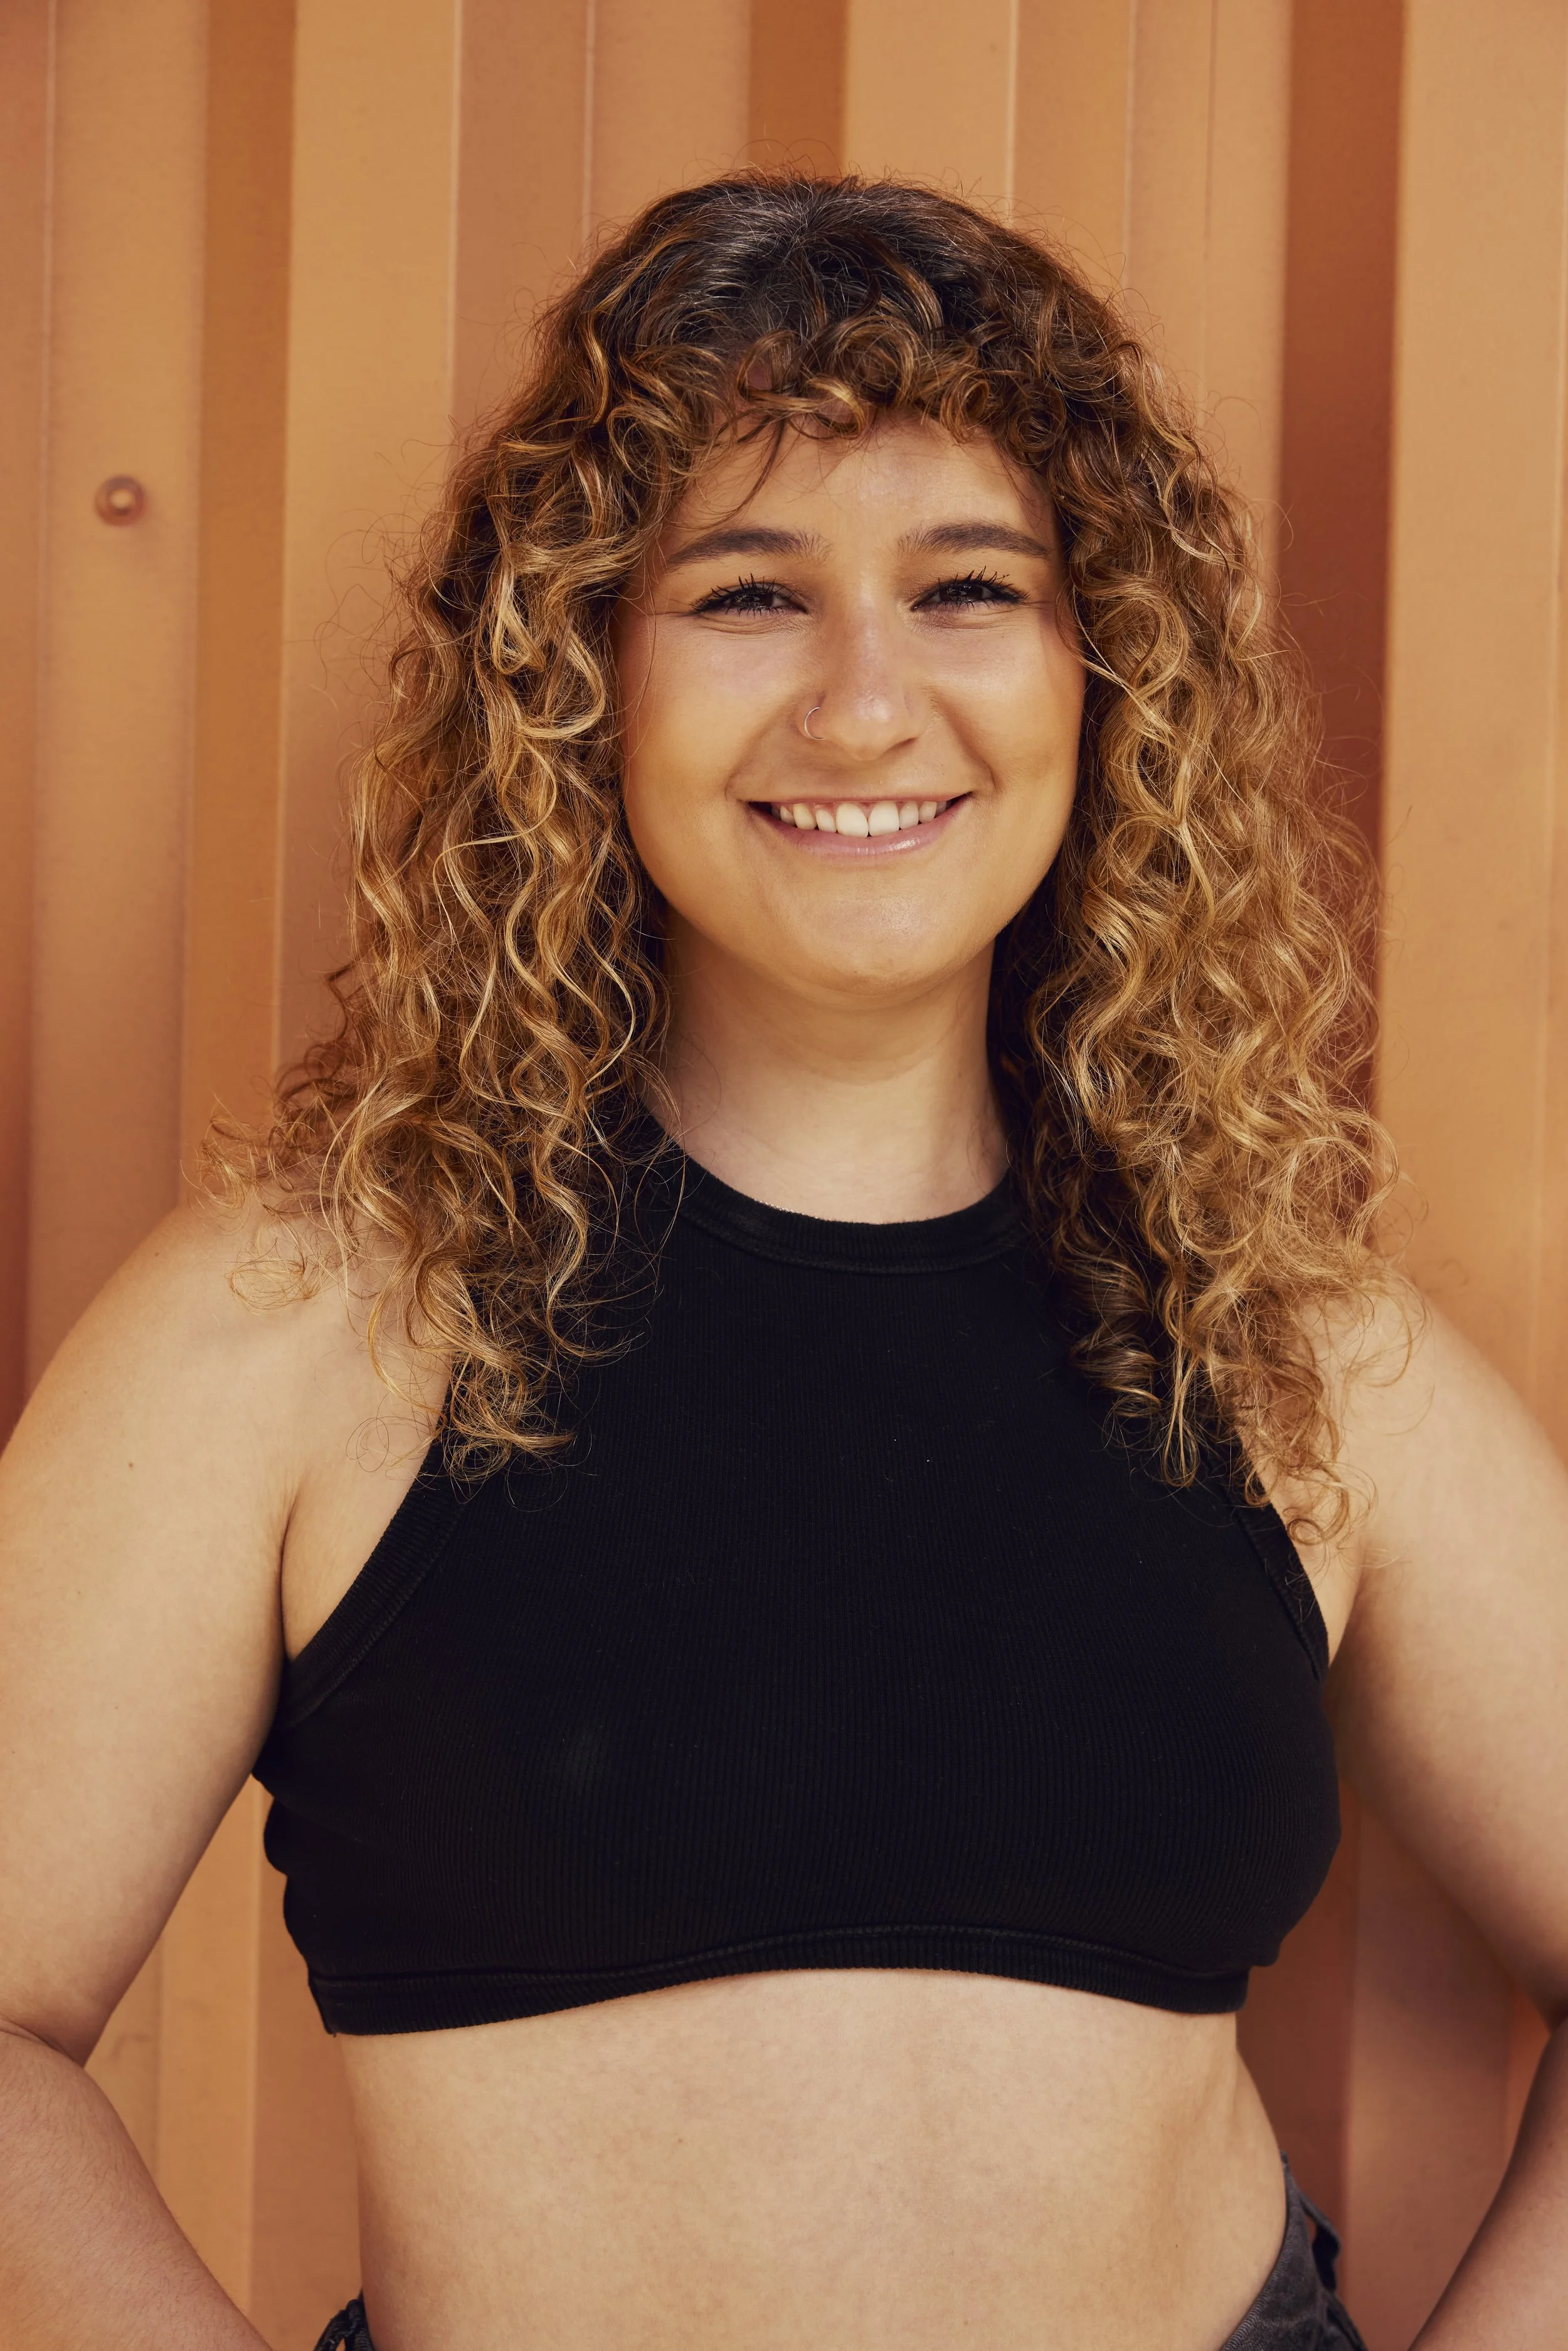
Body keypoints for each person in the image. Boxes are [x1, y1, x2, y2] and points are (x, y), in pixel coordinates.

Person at [1, 172, 1565, 2351]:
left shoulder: (1283, 1338)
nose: (861, 704)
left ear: (1095, 671)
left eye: (966, 588)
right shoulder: (308, 1318)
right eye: (745, 594)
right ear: (576, 679)